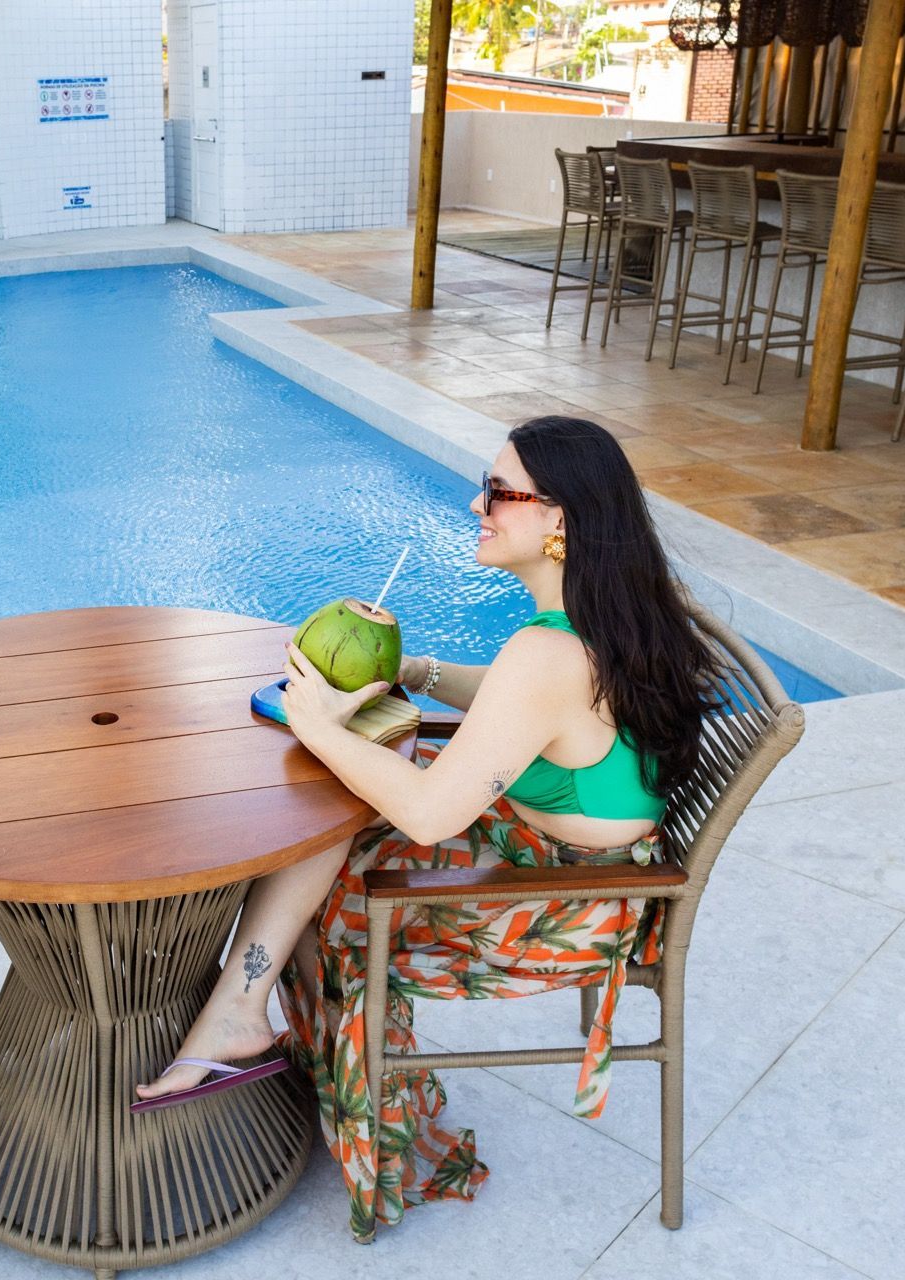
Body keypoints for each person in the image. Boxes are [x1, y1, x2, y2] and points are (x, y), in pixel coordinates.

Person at [134, 416, 719, 1239]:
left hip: (559, 907)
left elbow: (432, 810)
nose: (478, 505)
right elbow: (520, 701)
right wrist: (412, 671)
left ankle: (242, 1010)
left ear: (560, 519)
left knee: (335, 838)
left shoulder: (549, 658)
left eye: (499, 492)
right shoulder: (601, 620)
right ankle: (241, 1006)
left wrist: (320, 724)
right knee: (339, 818)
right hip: (581, 862)